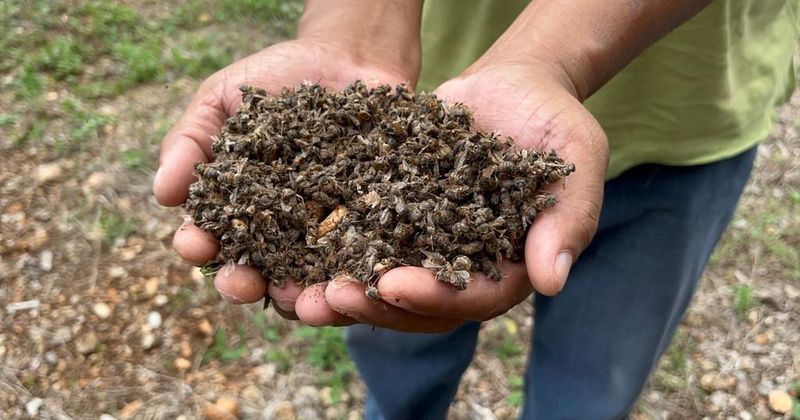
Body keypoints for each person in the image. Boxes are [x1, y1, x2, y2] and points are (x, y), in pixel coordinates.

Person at [153, 1, 798, 418]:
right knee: (394, 340)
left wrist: (549, 57)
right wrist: (352, 29)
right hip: (440, 83)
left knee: (594, 381)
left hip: (683, 127)